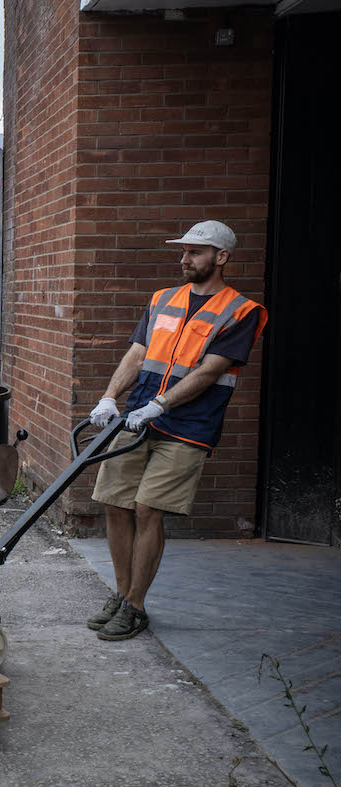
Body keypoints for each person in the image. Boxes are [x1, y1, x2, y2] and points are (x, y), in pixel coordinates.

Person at [85, 220, 267, 641]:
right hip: (135, 418)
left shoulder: (241, 312)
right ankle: (120, 593)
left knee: (149, 509)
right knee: (115, 503)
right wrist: (110, 397)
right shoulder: (163, 299)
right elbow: (137, 353)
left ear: (221, 257)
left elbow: (211, 371)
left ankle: (135, 606)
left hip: (188, 427)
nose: (184, 259)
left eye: (195, 252)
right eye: (183, 251)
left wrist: (161, 404)